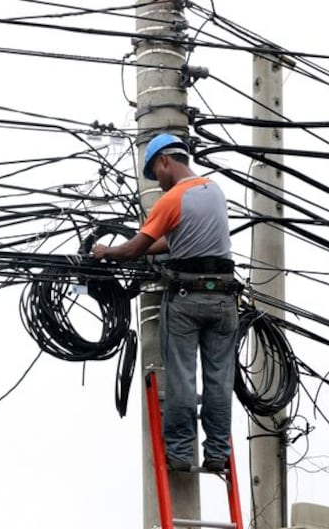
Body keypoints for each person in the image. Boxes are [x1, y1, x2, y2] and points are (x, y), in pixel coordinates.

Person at [92, 133, 238, 472]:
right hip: (224, 299)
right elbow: (177, 241)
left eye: (155, 174)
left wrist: (106, 252)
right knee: (218, 381)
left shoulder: (171, 201)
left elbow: (134, 249)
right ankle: (217, 454)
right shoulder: (214, 191)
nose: (157, 183)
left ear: (164, 162)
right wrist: (145, 248)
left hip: (187, 300)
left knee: (183, 378)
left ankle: (180, 453)